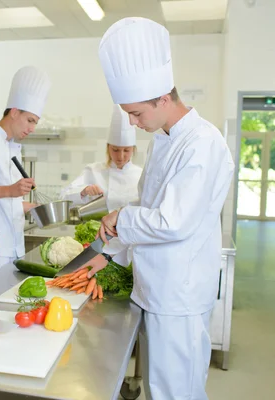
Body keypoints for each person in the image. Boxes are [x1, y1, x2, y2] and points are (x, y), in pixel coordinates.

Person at [81, 18, 234, 400]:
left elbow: (172, 221)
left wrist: (120, 218)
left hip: (178, 295)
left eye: (136, 114)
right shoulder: (165, 139)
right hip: (155, 288)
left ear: (163, 98)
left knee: (174, 393)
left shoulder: (202, 143)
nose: (133, 123)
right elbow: (147, 207)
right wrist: (110, 252)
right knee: (159, 389)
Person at [0, 66, 51, 278]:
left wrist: (29, 207)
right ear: (14, 112)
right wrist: (10, 190)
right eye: (30, 120)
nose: (32, 128)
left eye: (35, 123)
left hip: (14, 247)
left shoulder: (12, 147)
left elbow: (3, 202)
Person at [60, 105, 142, 211]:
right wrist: (84, 191)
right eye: (115, 150)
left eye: (126, 150)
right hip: (98, 222)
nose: (121, 156)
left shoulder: (140, 175)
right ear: (108, 148)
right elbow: (63, 197)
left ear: (133, 149)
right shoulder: (93, 171)